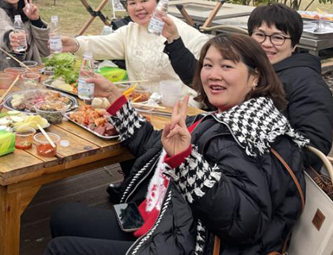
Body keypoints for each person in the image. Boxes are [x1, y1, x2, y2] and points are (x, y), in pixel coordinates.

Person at [45, 34, 307, 255]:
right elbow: (155, 147)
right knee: (63, 215)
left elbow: (244, 222)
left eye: (227, 66)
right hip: (160, 216)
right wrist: (115, 97)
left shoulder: (247, 134)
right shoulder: (225, 117)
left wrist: (185, 160)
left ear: (255, 77)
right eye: (207, 65)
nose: (214, 75)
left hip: (183, 242)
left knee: (60, 248)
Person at [160, 2, 333, 169]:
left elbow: (314, 146)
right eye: (260, 35)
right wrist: (174, 42)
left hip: (271, 180)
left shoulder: (307, 82)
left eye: (278, 37)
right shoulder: (249, 70)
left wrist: (247, 155)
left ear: (294, 45)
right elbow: (205, 81)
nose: (266, 43)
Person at [60, 0, 208, 97]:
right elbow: (101, 44)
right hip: (140, 104)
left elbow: (202, 75)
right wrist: (74, 44)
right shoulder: (129, 32)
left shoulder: (184, 33)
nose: (138, 7)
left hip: (179, 108)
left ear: (158, 1)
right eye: (132, 3)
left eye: (144, 1)